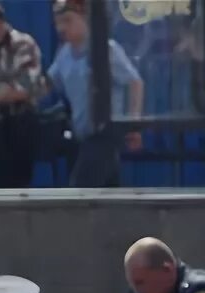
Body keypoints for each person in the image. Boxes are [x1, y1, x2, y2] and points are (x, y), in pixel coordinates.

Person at [47, 0, 144, 188]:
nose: (61, 28)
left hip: (104, 133)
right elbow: (48, 83)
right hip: (82, 137)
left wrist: (134, 122)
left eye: (68, 21)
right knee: (109, 195)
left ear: (84, 19)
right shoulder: (64, 54)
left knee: (80, 190)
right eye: (58, 23)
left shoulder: (106, 50)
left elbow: (135, 82)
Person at [0, 1, 45, 188]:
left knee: (20, 182)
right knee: (1, 182)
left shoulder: (22, 43)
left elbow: (25, 88)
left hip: (22, 119)